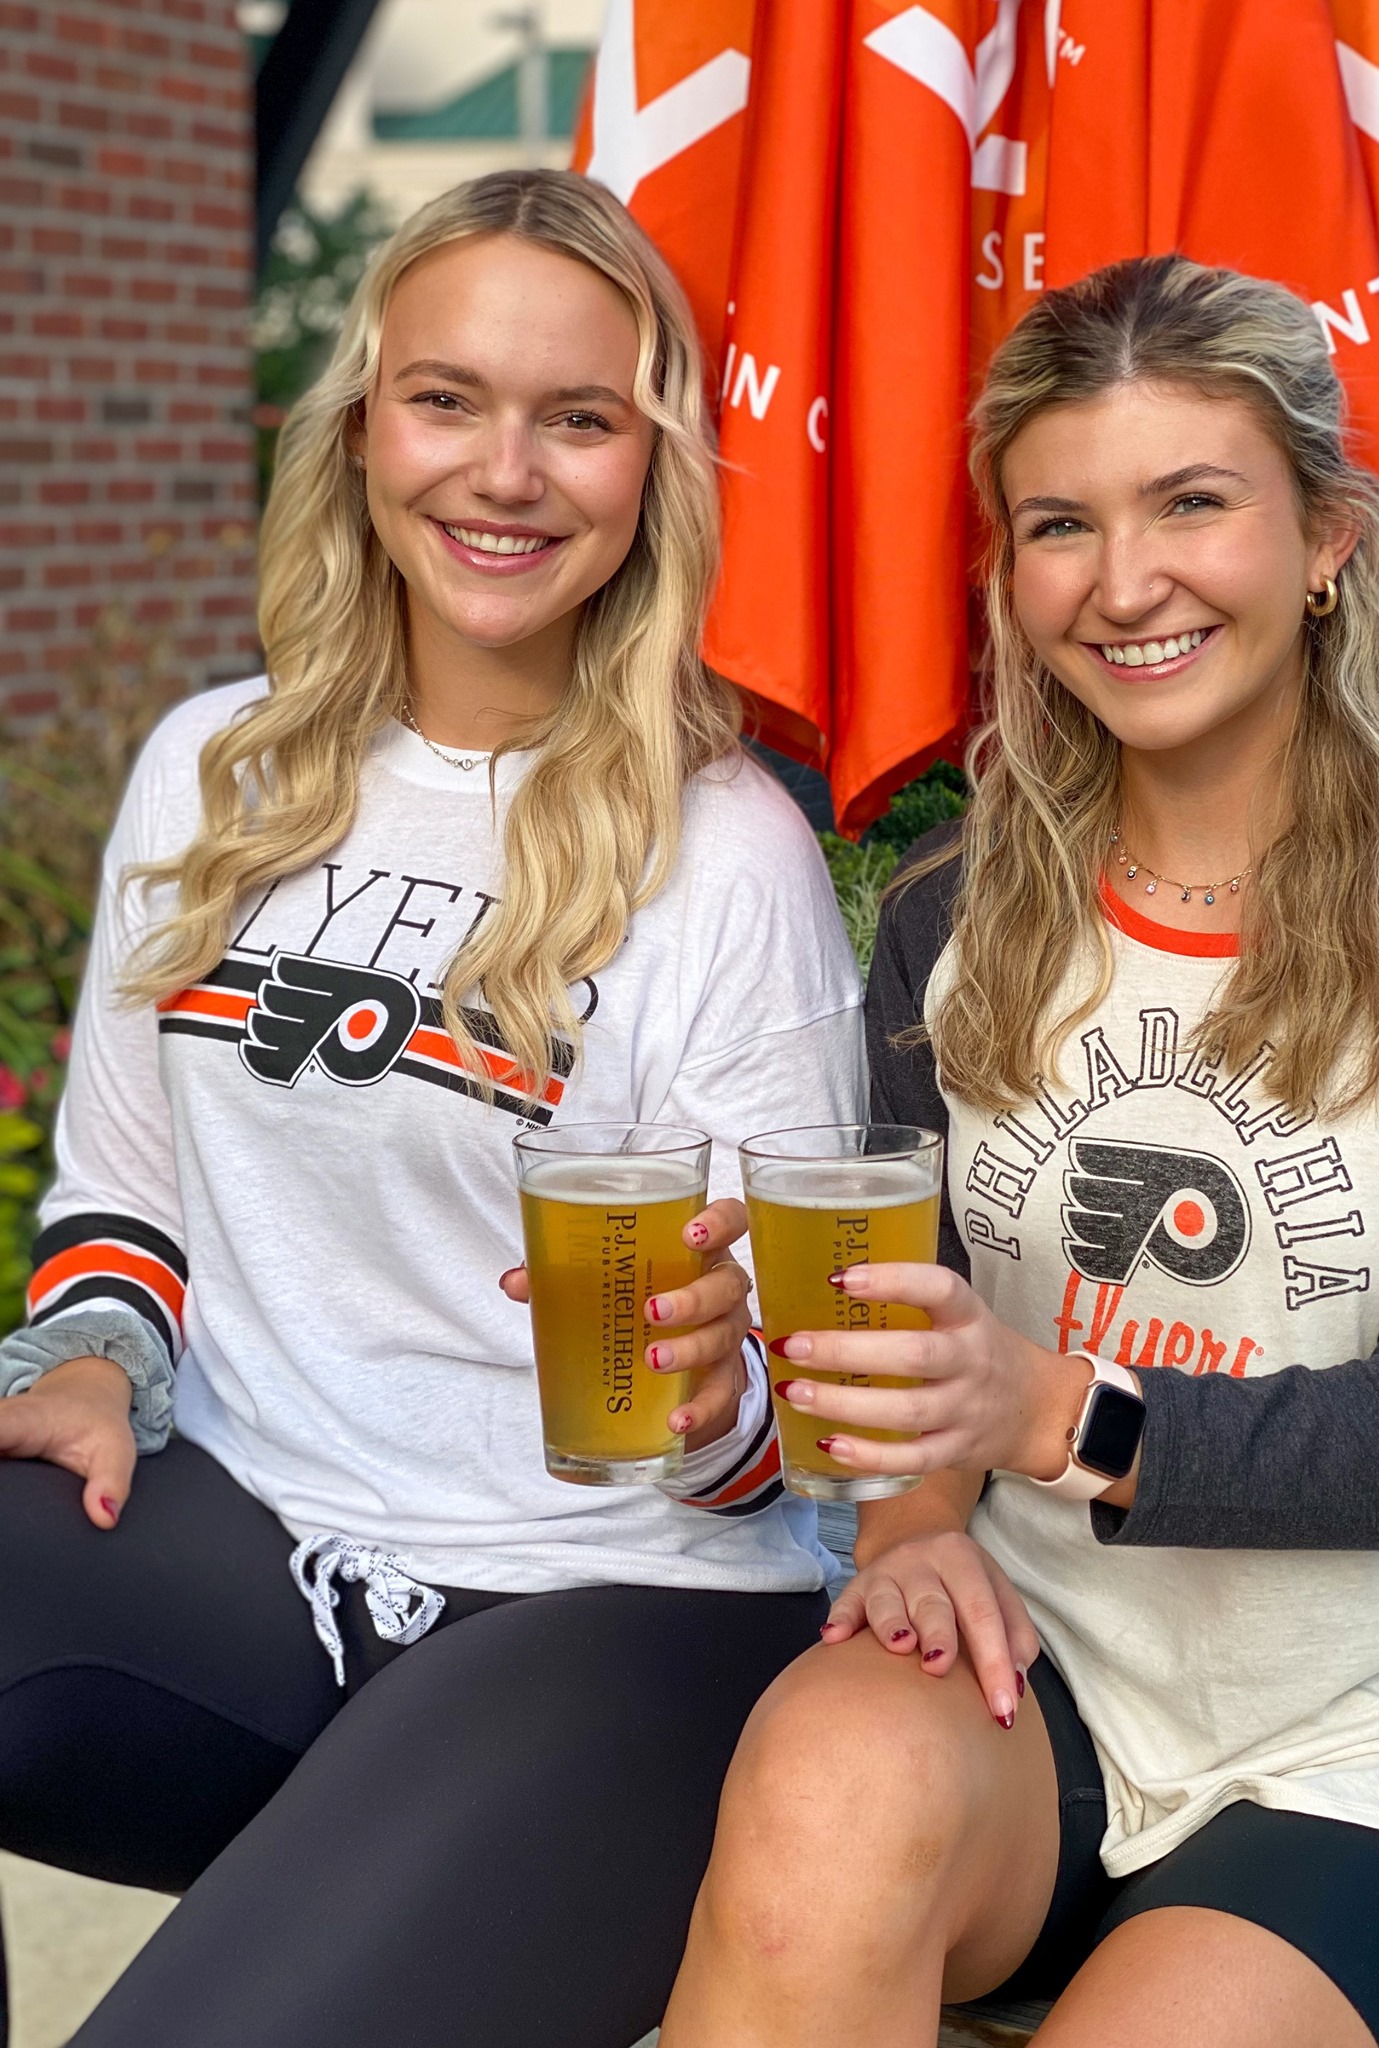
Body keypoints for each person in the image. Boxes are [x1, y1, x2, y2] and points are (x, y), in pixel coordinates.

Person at [660, 255, 1379, 2048]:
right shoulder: (952, 909)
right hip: (1027, 1678)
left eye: (1190, 502)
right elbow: (911, 1300)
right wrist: (899, 1512)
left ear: (1326, 536)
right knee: (814, 1791)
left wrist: (1051, 1411)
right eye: (1060, 524)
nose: (1122, 585)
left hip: (1358, 1759)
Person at [0, 170, 863, 2048]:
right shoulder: (212, 771)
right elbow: (124, 1197)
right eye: (448, 399)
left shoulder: (727, 854)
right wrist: (83, 1362)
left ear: (653, 470)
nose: (505, 473)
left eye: (579, 419)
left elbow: (809, 1421)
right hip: (265, 1555)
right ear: (363, 426)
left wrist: (719, 1397)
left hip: (619, 1609)